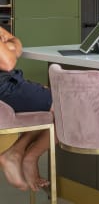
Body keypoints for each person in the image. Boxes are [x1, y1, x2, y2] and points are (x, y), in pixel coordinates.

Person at [0, 26, 52, 192]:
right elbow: (7, 63)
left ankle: (17, 153)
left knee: (57, 100)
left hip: (10, 83)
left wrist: (9, 45)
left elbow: (16, 42)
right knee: (68, 104)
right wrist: (8, 47)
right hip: (6, 88)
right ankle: (28, 156)